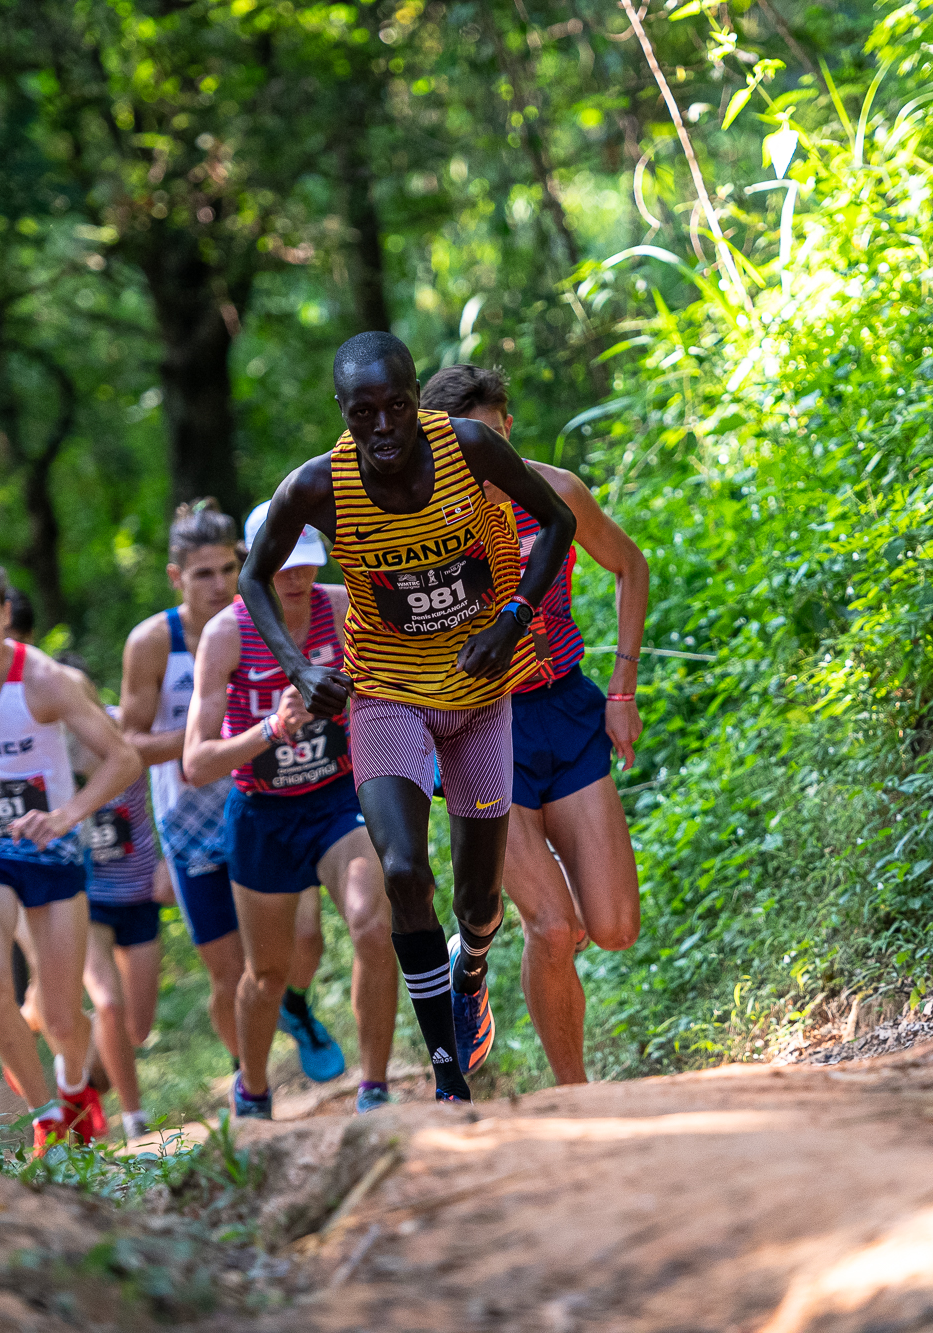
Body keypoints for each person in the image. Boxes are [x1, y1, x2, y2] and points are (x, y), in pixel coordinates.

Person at [239, 331, 576, 1103]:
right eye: (364, 413)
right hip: (386, 691)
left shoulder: (469, 448)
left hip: (479, 689)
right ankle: (448, 1074)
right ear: (342, 411)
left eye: (397, 406)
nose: (384, 426)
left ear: (417, 398)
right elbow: (254, 576)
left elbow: (556, 522)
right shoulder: (318, 486)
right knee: (401, 871)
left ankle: (471, 968)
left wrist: (513, 618)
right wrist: (300, 668)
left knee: (478, 903)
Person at [419, 365, 647, 1083]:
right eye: (463, 442)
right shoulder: (420, 522)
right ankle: (575, 1097)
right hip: (481, 728)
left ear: (509, 427)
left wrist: (622, 688)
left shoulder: (557, 491)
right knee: (553, 926)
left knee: (613, 928)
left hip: (565, 711)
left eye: (491, 436)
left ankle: (474, 940)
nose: (481, 455)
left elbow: (630, 566)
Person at [185, 506, 398, 1117]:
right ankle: (252, 1090)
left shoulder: (344, 607)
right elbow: (196, 762)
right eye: (282, 566)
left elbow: (396, 683)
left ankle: (374, 1088)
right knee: (268, 973)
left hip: (337, 799)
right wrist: (271, 729)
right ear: (256, 563)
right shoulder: (227, 633)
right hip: (263, 814)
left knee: (372, 925)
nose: (296, 579)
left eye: (306, 565)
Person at [0, 554, 142, 1152]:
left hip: (52, 856)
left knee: (61, 1016)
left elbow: (123, 758)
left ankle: (74, 1087)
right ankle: (45, 1115)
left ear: (7, 614)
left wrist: (65, 815)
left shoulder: (43, 678)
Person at [119, 503, 243, 1069]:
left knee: (297, 945)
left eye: (228, 568)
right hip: (190, 825)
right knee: (228, 972)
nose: (219, 584)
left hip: (263, 800)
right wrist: (205, 738)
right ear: (176, 576)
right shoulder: (152, 642)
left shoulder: (257, 621)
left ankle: (292, 1007)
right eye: (203, 574)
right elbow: (130, 746)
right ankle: (248, 1077)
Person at [65, 652, 168, 1140]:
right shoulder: (43, 747)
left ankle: (92, 1070)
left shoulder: (123, 731)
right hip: (85, 897)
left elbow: (166, 784)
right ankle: (135, 1120)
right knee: (108, 1003)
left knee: (137, 1028)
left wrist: (168, 859)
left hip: (140, 888)